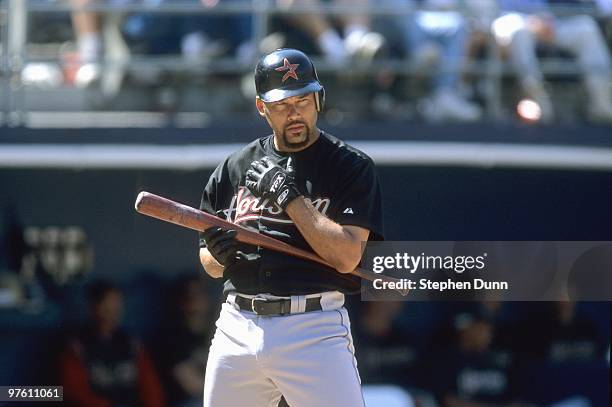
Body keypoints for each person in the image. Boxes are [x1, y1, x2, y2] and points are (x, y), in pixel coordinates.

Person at [197, 48, 384, 406]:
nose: (294, 112)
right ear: (262, 108)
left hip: (312, 327)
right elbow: (207, 260)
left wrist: (288, 196)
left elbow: (346, 257)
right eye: (282, 104)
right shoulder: (234, 168)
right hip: (238, 323)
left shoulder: (350, 166)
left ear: (318, 99)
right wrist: (219, 256)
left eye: (302, 100)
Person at [59, 280, 165, 407]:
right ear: (92, 307)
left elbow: (151, 388)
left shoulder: (132, 344)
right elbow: (74, 393)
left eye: (116, 307)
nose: (112, 313)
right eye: (106, 307)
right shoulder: (77, 347)